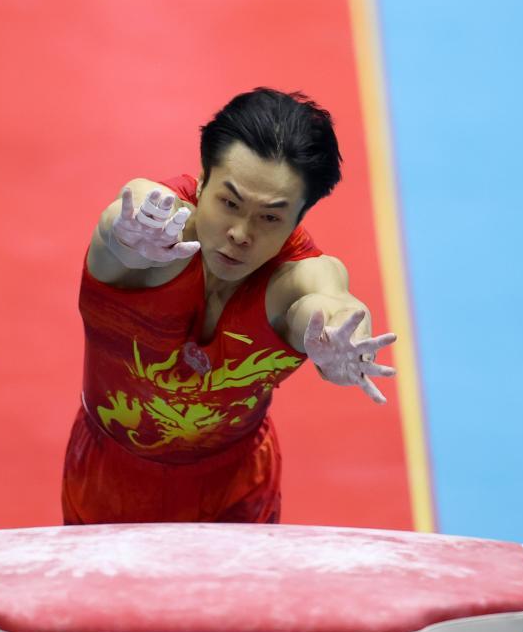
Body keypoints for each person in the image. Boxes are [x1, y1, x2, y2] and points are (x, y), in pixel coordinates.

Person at [61, 87, 396, 524]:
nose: (241, 233)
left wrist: (342, 341)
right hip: (109, 476)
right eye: (229, 203)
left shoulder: (296, 277)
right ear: (202, 181)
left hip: (237, 489)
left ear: (298, 219)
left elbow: (332, 303)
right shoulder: (153, 232)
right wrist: (124, 237)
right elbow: (128, 210)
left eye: (270, 217)